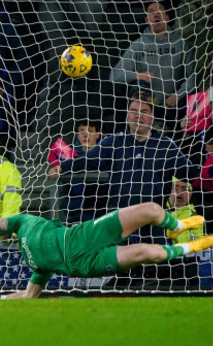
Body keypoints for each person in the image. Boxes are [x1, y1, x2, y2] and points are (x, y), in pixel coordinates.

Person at [0, 201, 213, 299]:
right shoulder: (39, 269)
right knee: (147, 253)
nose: (1, 229)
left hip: (79, 237)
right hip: (83, 265)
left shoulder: (24, 221)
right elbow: (28, 296)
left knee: (152, 209)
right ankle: (188, 247)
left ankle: (177, 226)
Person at [48, 99, 196, 244]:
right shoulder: (114, 142)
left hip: (153, 222)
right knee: (118, 263)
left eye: (144, 112)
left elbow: (190, 173)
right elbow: (87, 160)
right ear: (127, 117)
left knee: (156, 264)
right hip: (120, 218)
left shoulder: (165, 146)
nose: (138, 116)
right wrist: (62, 168)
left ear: (151, 118)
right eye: (133, 111)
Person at [111, 1, 196, 110]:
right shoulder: (138, 45)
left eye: (160, 10)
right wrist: (138, 75)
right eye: (151, 12)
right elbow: (115, 75)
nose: (156, 14)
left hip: (175, 106)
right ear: (147, 20)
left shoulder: (181, 44)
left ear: (167, 17)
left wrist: (177, 96)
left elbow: (194, 75)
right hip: (145, 107)